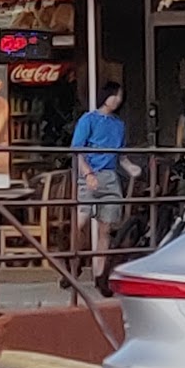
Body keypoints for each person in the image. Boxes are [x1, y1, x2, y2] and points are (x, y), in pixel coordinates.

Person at [73, 82, 127, 289]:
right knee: (80, 221)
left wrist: (133, 169)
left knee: (106, 228)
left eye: (120, 96)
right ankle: (74, 262)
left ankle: (99, 274)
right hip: (89, 175)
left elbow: (122, 156)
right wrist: (87, 173)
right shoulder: (88, 119)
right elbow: (78, 150)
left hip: (110, 176)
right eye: (114, 95)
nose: (117, 100)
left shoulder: (119, 124)